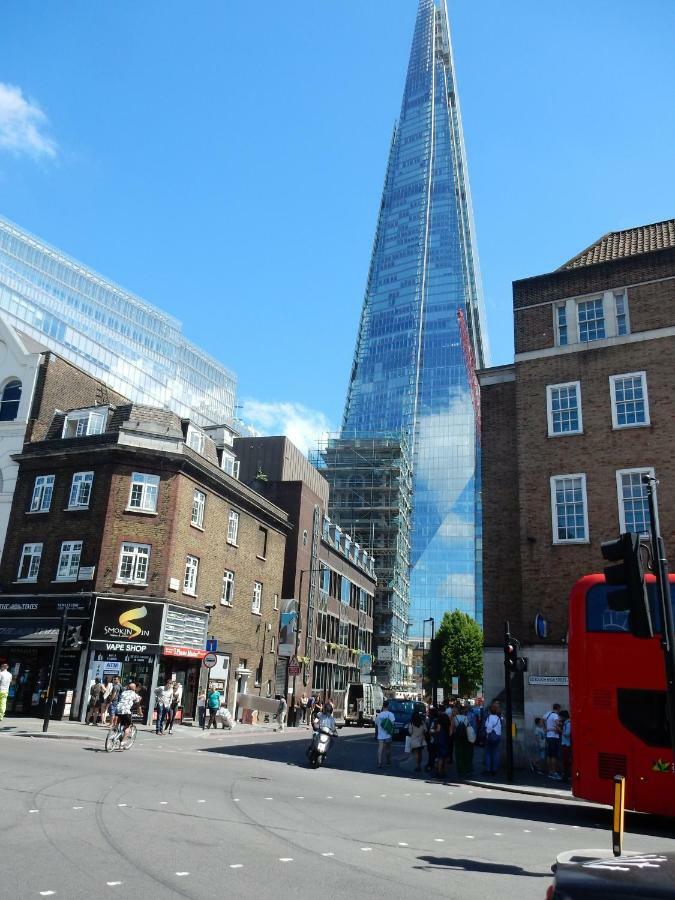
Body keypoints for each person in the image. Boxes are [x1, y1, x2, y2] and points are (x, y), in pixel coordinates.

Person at [544, 703, 562, 780]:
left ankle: (550, 771)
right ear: (558, 708)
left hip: (548, 736)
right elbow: (558, 725)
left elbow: (542, 721)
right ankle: (554, 772)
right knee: (554, 755)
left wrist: (546, 729)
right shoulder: (555, 716)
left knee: (549, 755)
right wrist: (558, 727)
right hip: (554, 737)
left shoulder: (548, 713)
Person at [375, 700, 396, 768]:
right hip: (388, 734)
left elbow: (376, 724)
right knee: (388, 749)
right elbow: (392, 724)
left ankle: (379, 762)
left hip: (380, 735)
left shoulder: (379, 715)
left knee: (380, 748)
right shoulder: (391, 714)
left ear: (382, 706)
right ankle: (388, 762)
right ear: (388, 706)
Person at [453, 705, 473, 776]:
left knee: (458, 753)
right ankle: (465, 768)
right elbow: (468, 727)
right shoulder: (465, 718)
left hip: (457, 737)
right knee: (465, 753)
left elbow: (453, 728)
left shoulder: (455, 718)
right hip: (465, 737)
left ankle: (459, 768)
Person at [483, 702, 502, 775]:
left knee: (488, 753)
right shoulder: (498, 718)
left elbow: (488, 727)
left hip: (490, 737)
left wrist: (487, 734)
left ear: (490, 711)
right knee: (495, 753)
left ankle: (488, 769)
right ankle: (495, 769)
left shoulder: (489, 718)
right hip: (498, 736)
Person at [434, 712, 451, 779]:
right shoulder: (448, 724)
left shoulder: (439, 723)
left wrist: (435, 731)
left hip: (440, 741)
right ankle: (445, 772)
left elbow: (437, 731)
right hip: (447, 741)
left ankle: (439, 772)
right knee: (446, 758)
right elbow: (450, 733)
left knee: (440, 758)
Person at [560, 710, 572, 782]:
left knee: (566, 761)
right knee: (565, 761)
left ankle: (566, 777)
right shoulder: (565, 723)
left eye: (561, 716)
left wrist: (560, 730)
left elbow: (567, 734)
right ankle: (565, 776)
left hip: (567, 744)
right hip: (565, 744)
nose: (560, 718)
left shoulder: (568, 723)